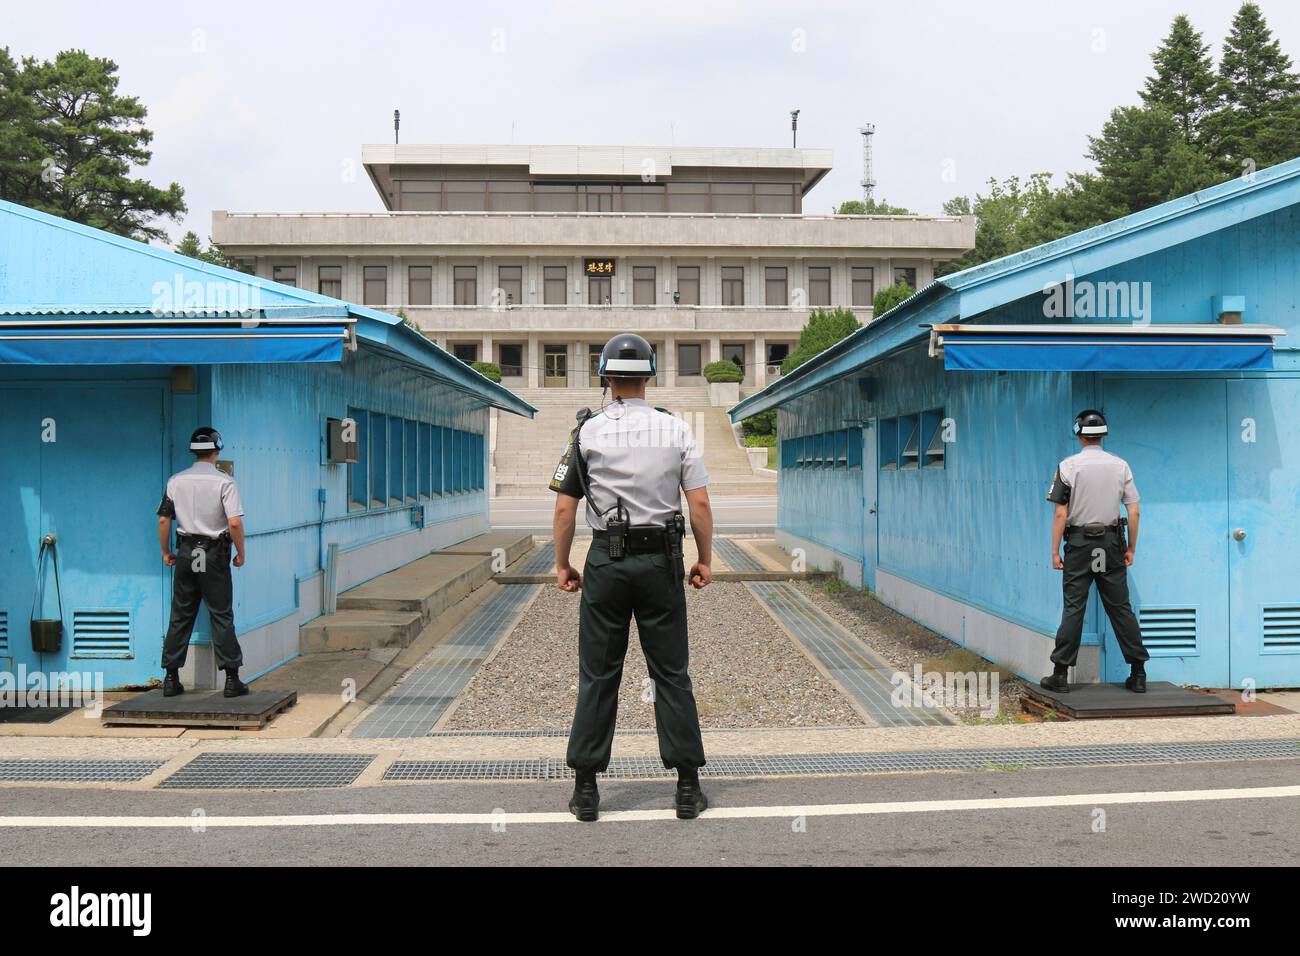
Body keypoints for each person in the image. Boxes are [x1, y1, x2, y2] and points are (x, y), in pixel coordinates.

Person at [549, 332, 713, 822]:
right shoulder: (676, 429)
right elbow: (699, 502)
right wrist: (704, 559)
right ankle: (686, 787)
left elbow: (564, 508)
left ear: (605, 377)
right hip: (662, 561)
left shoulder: (586, 432)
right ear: (650, 376)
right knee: (670, 673)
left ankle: (586, 790)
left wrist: (563, 564)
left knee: (599, 673)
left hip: (607, 561)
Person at [1043, 409, 1149, 694]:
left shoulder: (1067, 466)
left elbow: (1060, 513)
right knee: (1121, 608)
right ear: (1103, 434)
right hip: (1112, 544)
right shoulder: (1121, 465)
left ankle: (1061, 674)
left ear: (1078, 434)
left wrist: (1055, 552)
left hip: (1079, 545)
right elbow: (1134, 510)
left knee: (1074, 608)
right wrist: (1131, 547)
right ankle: (1138, 672)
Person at [156, 427, 248, 698]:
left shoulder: (176, 480)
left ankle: (171, 678)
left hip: (186, 551)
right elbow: (234, 522)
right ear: (217, 450)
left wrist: (165, 552)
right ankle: (232, 679)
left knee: (181, 614)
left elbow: (163, 519)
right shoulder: (224, 482)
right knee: (221, 614)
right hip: (214, 554)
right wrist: (241, 552)